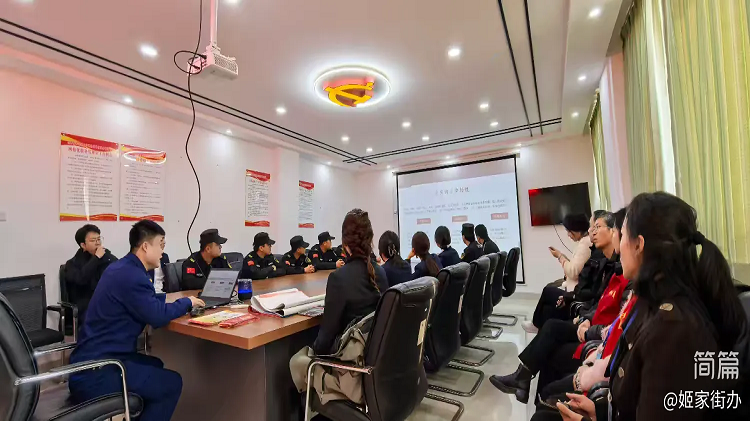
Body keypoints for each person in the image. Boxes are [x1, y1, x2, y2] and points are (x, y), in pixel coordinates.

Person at [555, 192, 748, 421]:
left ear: (639, 245)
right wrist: (601, 412)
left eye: (622, 233)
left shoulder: (672, 330)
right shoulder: (654, 305)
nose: (619, 246)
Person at [68, 220, 205, 421]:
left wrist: (168, 301)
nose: (163, 252)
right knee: (171, 383)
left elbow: (142, 300)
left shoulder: (123, 268)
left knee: (155, 364)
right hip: (97, 371)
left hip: (92, 361)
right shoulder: (132, 276)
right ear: (146, 246)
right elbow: (157, 316)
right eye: (161, 245)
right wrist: (187, 302)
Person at [490, 210, 625, 405]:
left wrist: (585, 321)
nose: (592, 232)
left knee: (551, 326)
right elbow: (599, 300)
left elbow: (608, 313)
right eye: (592, 227)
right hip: (589, 319)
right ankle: (526, 384)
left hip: (594, 334)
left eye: (597, 227)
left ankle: (529, 386)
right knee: (550, 320)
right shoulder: (611, 264)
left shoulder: (617, 269)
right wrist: (586, 317)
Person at [313, 209, 389, 355]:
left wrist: (313, 349)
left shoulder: (338, 278)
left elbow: (324, 341)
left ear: (345, 243)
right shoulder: (380, 272)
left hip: (348, 359)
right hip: (374, 355)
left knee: (296, 361)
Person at [64, 224, 118, 324]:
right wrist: (96, 258)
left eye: (99, 239)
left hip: (107, 301)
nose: (97, 243)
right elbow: (81, 279)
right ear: (83, 245)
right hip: (86, 305)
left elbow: (119, 271)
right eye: (93, 240)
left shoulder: (107, 258)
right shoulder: (72, 264)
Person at [549, 213, 592, 292]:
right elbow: (576, 267)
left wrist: (560, 256)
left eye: (569, 231)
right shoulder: (585, 241)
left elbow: (573, 272)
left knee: (548, 291)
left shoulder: (585, 244)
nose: (568, 235)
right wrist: (561, 256)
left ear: (577, 230)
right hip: (577, 287)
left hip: (576, 291)